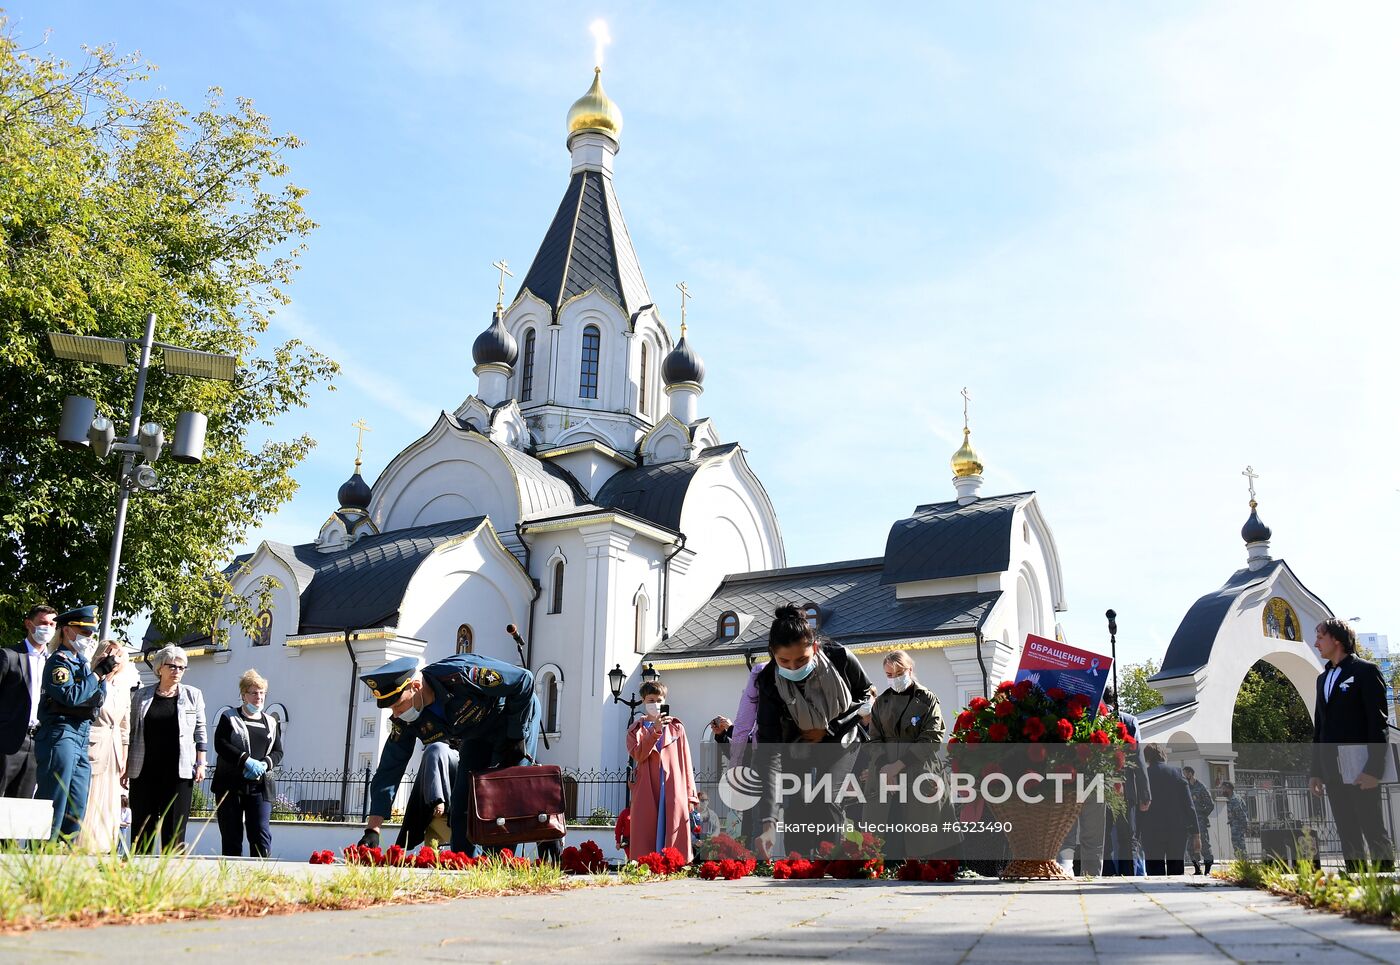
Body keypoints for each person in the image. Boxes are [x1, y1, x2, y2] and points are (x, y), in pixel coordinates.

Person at [354, 652, 545, 858]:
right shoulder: (408, 718)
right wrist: (372, 830)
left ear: (415, 687)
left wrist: (516, 735)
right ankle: (463, 863)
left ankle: (500, 863)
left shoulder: (459, 674)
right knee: (462, 803)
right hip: (477, 733)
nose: (396, 714)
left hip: (512, 718)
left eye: (398, 704)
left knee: (503, 794)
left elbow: (524, 679)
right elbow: (390, 768)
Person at [752, 604, 873, 860]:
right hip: (796, 745)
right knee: (797, 803)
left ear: (815, 648)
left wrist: (828, 730)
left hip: (842, 739)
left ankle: (831, 863)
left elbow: (866, 698)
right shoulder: (768, 683)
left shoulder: (840, 657)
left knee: (827, 798)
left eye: (802, 660)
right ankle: (798, 865)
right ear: (772, 654)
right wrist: (768, 824)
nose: (794, 668)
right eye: (784, 661)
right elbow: (769, 752)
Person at [1309, 617, 1395, 872]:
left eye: (1320, 637)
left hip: (1361, 767)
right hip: (1332, 767)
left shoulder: (1366, 671)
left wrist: (1374, 769)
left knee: (1372, 825)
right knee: (1346, 828)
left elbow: (1378, 724)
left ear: (1336, 639)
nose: (1316, 643)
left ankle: (1385, 886)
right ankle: (1356, 882)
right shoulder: (1322, 679)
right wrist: (1315, 771)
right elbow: (1320, 728)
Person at [34, 606, 122, 841]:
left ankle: (65, 849)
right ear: (67, 631)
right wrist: (95, 676)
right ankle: (42, 850)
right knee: (55, 797)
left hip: (81, 734)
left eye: (92, 633)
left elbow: (97, 699)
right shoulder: (59, 662)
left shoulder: (82, 663)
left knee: (77, 801)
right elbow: (71, 696)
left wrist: (101, 674)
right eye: (84, 632)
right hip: (61, 733)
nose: (89, 638)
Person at [862, 650, 959, 862]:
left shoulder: (927, 699)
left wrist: (899, 765)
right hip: (885, 775)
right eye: (889, 674)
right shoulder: (882, 702)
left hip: (919, 770)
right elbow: (874, 739)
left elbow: (932, 737)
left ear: (910, 670)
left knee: (925, 830)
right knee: (885, 828)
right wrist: (885, 767)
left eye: (898, 673)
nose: (894, 679)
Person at [127, 644, 208, 853]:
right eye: (172, 666)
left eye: (182, 668)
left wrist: (201, 763)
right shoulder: (140, 696)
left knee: (175, 827)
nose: (177, 671)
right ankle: (139, 869)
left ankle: (171, 873)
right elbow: (131, 730)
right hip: (144, 769)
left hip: (178, 770)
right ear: (159, 668)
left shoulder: (193, 695)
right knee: (143, 824)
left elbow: (200, 731)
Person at [211, 669, 284, 857]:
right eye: (253, 692)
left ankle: (260, 878)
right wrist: (246, 760)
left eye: (261, 692)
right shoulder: (229, 717)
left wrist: (265, 764)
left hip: (260, 786)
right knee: (231, 837)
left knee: (260, 834)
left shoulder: (271, 722)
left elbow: (278, 751)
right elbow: (221, 744)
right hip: (230, 785)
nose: (258, 697)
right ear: (243, 695)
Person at [626, 680, 699, 861]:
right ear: (643, 701)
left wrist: (691, 795)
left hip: (672, 786)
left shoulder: (677, 727)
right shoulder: (636, 730)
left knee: (672, 826)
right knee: (647, 829)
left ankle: (671, 863)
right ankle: (649, 864)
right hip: (647, 787)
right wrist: (655, 731)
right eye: (651, 700)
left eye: (659, 700)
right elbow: (638, 754)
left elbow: (686, 761)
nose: (655, 704)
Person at [76, 640, 137, 852]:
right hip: (91, 744)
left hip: (113, 751)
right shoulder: (89, 681)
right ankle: (80, 843)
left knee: (108, 800)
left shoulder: (121, 689)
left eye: (120, 657)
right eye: (112, 656)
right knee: (88, 795)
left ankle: (102, 846)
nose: (116, 661)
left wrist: (125, 756)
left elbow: (124, 726)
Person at [2, 604, 56, 800]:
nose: (47, 628)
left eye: (51, 624)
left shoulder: (53, 662)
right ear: (29, 624)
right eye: (43, 623)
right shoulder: (9, 656)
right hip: (7, 742)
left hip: (37, 744)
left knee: (21, 809)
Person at [1101, 686, 1151, 876]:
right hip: (1125, 788)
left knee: (1103, 838)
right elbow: (1138, 758)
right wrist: (1145, 793)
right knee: (1127, 837)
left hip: (1101, 787)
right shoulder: (1129, 721)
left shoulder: (1096, 721)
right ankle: (1128, 877)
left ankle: (1105, 874)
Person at [1138, 743, 1198, 875]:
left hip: (1151, 830)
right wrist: (1196, 833)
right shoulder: (1177, 773)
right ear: (1163, 755)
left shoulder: (1144, 776)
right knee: (1176, 871)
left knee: (1154, 872)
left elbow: (1140, 805)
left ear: (1147, 758)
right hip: (1176, 830)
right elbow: (1189, 806)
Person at [395, 740, 459, 850]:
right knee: (461, 843)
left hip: (435, 812)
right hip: (440, 813)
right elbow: (433, 773)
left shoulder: (445, 750)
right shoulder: (436, 748)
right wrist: (437, 800)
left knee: (431, 852)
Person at [1182, 765, 1216, 875]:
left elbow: (1210, 805)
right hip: (1189, 821)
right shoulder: (1185, 787)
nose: (1184, 776)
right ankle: (1197, 869)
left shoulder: (1200, 787)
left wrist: (1202, 815)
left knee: (1204, 845)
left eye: (1185, 773)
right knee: (1190, 847)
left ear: (1190, 774)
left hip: (1200, 821)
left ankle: (1208, 869)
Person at [1222, 781, 1248, 858]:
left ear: (1229, 789)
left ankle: (1244, 864)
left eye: (1224, 789)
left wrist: (1245, 826)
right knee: (1236, 846)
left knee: (1240, 846)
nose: (1222, 791)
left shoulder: (1235, 799)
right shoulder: (1229, 798)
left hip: (1238, 826)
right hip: (1235, 826)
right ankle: (1240, 863)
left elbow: (1241, 814)